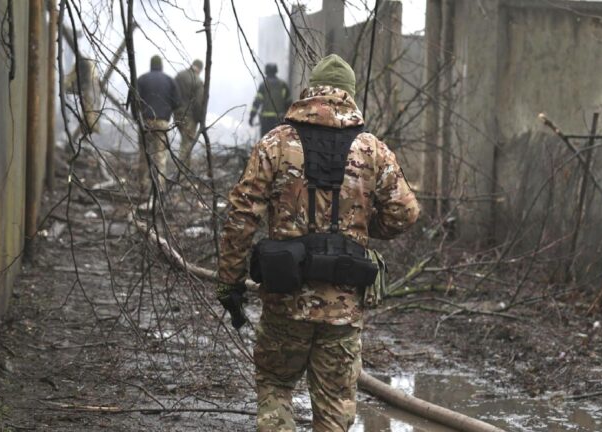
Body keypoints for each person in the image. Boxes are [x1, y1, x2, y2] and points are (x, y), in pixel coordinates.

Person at [217, 54, 420, 431]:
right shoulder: (372, 149)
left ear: (310, 91)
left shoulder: (275, 143)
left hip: (284, 300)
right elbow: (405, 213)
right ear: (350, 95)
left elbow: (241, 216)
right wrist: (362, 226)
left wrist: (228, 282)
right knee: (334, 408)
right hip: (342, 307)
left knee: (276, 385)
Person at [135, 55, 181, 192]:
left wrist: (136, 117)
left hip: (146, 121)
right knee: (160, 155)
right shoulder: (169, 80)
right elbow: (178, 102)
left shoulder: (142, 79)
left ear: (151, 64)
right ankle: (159, 187)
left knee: (144, 153)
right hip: (162, 122)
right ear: (161, 65)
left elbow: (134, 99)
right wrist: (167, 111)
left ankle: (143, 184)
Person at [174, 59, 205, 170]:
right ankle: (181, 175)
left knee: (184, 142)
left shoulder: (179, 76)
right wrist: (199, 119)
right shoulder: (198, 81)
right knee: (186, 145)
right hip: (190, 117)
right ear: (200, 69)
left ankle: (181, 174)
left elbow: (172, 93)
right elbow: (198, 103)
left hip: (177, 114)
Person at [249, 63, 292, 135]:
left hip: (266, 120)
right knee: (277, 142)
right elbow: (289, 103)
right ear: (276, 71)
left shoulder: (263, 85)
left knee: (265, 142)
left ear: (266, 71)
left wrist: (252, 116)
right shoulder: (283, 85)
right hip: (279, 119)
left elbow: (257, 102)